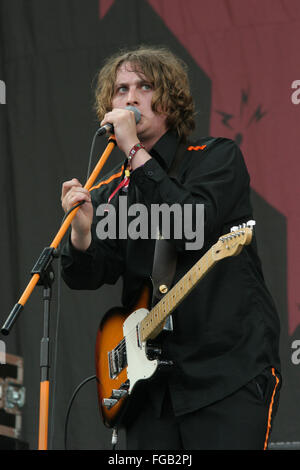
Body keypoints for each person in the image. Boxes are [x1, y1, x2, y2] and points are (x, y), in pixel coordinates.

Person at [60, 45, 281, 450]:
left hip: (225, 375)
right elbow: (88, 275)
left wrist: (133, 151)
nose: (131, 97)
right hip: (151, 393)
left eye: (145, 86)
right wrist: (81, 233)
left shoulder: (216, 158)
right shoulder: (112, 191)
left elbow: (188, 227)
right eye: (121, 89)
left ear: (170, 100)